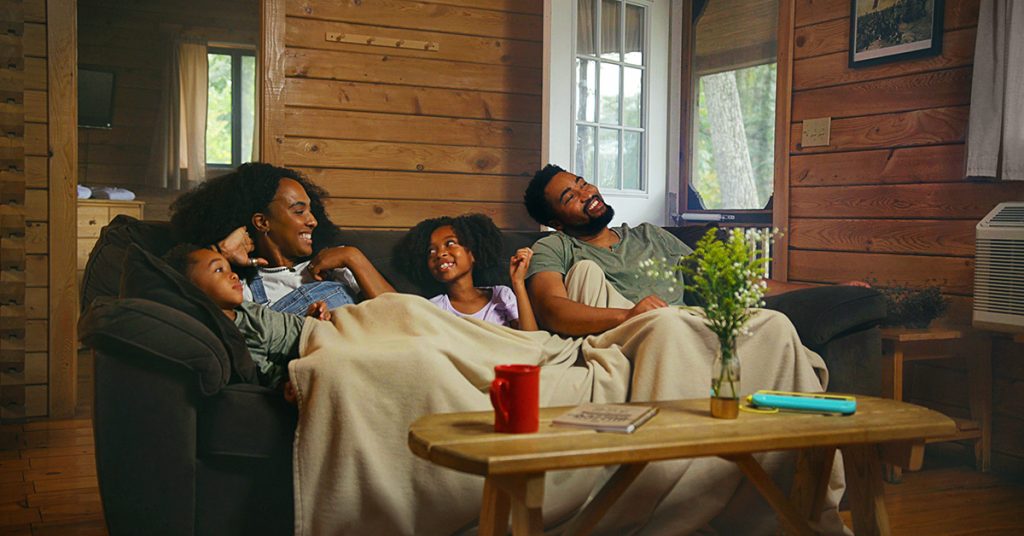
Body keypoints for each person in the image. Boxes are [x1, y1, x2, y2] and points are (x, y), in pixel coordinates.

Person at [169, 163, 394, 314]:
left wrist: (354, 257)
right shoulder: (242, 289)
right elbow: (182, 299)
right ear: (262, 222)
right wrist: (223, 251)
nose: (313, 221)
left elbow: (405, 316)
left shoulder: (338, 264)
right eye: (299, 211)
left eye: (310, 210)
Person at [161, 243, 330, 391]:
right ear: (192, 291)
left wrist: (311, 319)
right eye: (219, 270)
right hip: (315, 349)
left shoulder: (244, 308)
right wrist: (286, 383)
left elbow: (283, 323)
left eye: (229, 268)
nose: (233, 275)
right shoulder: (237, 334)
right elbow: (269, 374)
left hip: (320, 327)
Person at [395, 214, 537, 330]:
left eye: (450, 243)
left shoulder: (501, 294)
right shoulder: (434, 308)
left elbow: (531, 340)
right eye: (431, 251)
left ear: (473, 253)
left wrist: (518, 283)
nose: (439, 254)